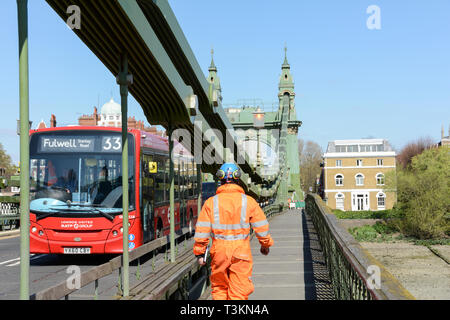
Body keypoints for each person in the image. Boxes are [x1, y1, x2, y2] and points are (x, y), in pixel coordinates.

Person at [193, 162, 274, 300]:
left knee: (219, 289)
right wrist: (265, 245)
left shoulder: (210, 203)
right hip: (241, 252)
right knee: (239, 292)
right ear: (238, 179)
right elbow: (261, 227)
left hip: (219, 252)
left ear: (220, 179)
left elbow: (202, 231)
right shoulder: (249, 201)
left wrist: (200, 253)